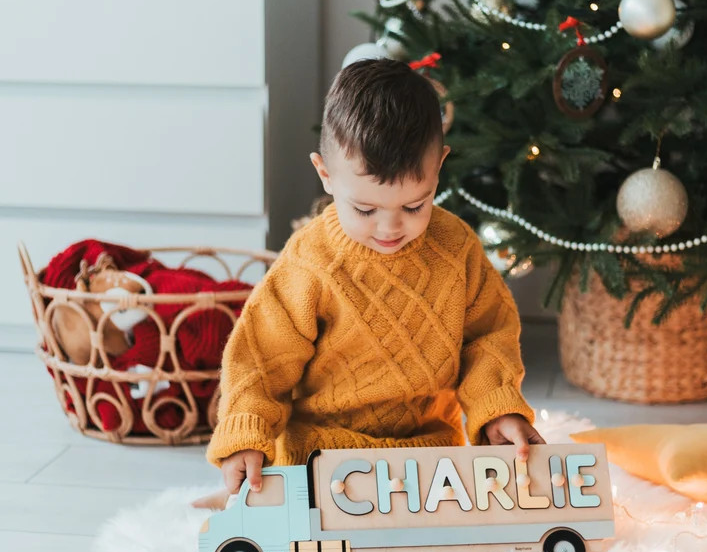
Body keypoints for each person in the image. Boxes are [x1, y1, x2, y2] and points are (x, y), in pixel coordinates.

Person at [195, 58, 544, 508]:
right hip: (318, 462)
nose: (390, 228)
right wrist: (248, 435)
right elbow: (260, 358)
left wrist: (498, 409)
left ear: (440, 166)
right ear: (325, 174)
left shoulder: (456, 248)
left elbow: (488, 337)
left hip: (429, 466)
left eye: (415, 206)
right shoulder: (310, 262)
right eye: (365, 210)